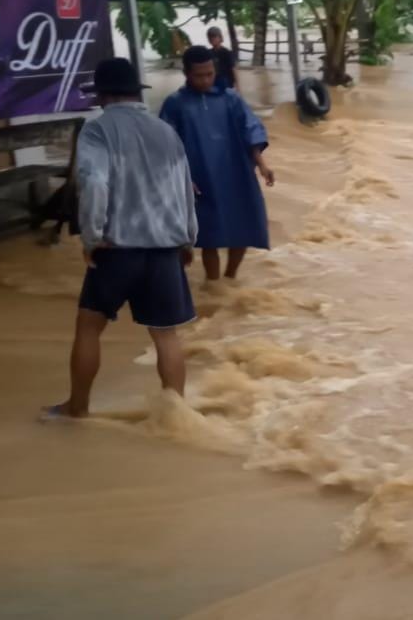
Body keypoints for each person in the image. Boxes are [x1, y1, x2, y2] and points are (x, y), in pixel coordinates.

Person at [44, 57, 198, 419]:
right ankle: (177, 417)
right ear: (134, 92)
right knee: (166, 335)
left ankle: (77, 408)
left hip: (117, 249)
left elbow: (95, 184)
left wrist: (91, 238)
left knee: (89, 327)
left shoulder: (98, 131)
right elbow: (186, 190)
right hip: (164, 249)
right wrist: (188, 240)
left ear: (103, 95)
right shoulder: (165, 130)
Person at [160, 45, 274, 281]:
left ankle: (230, 277)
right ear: (186, 74)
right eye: (199, 75)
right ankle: (213, 284)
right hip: (199, 176)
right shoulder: (175, 103)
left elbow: (249, 129)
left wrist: (262, 164)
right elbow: (165, 144)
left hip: (236, 172)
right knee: (208, 235)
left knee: (242, 226)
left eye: (209, 74)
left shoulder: (231, 99)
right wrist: (182, 178)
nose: (205, 80)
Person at [206, 26, 236, 91]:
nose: (212, 39)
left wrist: (236, 85)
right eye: (210, 38)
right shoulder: (208, 53)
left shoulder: (227, 52)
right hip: (213, 80)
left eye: (214, 37)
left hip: (225, 80)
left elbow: (232, 69)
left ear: (220, 38)